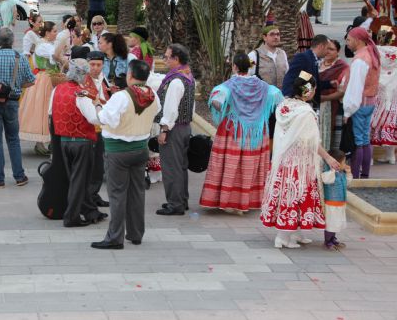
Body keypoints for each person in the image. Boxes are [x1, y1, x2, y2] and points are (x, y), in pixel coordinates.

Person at [261, 71, 340, 249]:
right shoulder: (306, 112)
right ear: (308, 91)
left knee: (289, 195)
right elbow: (312, 142)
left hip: (284, 159)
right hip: (300, 162)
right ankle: (283, 237)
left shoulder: (284, 106)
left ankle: (294, 233)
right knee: (296, 195)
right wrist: (328, 157)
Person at [90, 60, 161, 250]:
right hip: (140, 149)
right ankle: (136, 233)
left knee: (117, 194)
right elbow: (157, 111)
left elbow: (105, 118)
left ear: (130, 75)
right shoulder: (153, 95)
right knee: (137, 192)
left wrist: (98, 105)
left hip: (118, 151)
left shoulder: (122, 97)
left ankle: (115, 237)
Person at [200, 52, 283, 213]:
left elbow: (217, 101)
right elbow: (278, 98)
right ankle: (247, 202)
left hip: (233, 131)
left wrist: (225, 109)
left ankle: (228, 202)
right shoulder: (263, 86)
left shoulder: (228, 86)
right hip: (257, 133)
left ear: (235, 67)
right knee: (250, 166)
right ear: (249, 66)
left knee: (231, 165)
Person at [49, 59, 107, 227]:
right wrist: (97, 105)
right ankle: (72, 217)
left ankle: (90, 212)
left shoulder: (57, 89)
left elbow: (51, 112)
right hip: (82, 141)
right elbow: (94, 118)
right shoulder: (80, 94)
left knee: (76, 179)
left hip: (64, 141)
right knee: (80, 181)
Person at [0, 28, 36, 188]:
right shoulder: (20, 58)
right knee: (13, 139)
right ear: (12, 42)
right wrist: (16, 85)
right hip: (12, 102)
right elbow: (31, 80)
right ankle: (19, 176)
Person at [155, 44, 196, 215]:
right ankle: (181, 200)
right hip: (185, 126)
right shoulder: (188, 75)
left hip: (174, 129)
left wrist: (164, 129)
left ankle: (175, 204)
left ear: (176, 59)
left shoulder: (175, 81)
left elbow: (171, 109)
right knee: (180, 166)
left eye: (167, 57)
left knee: (171, 166)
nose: (164, 60)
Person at [344, 27, 381, 179]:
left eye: (349, 40)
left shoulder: (360, 59)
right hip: (370, 102)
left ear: (357, 40)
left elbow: (355, 88)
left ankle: (356, 175)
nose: (347, 43)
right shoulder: (371, 54)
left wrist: (347, 111)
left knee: (358, 141)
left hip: (360, 104)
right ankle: (365, 174)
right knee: (365, 138)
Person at [19, 21, 59, 155]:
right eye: (54, 31)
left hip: (50, 78)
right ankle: (41, 142)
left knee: (49, 110)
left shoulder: (47, 44)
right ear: (47, 33)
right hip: (45, 78)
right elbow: (56, 56)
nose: (56, 33)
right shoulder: (44, 46)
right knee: (43, 109)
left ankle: (47, 142)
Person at [84, 51, 110, 207]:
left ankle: (94, 194)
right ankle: (88, 195)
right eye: (92, 64)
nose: (95, 68)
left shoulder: (103, 79)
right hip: (88, 127)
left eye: (98, 65)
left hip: (101, 126)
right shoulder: (84, 81)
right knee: (90, 164)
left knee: (98, 164)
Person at [282, 34, 334, 108]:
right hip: (298, 105)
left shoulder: (313, 59)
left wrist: (330, 84)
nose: (328, 52)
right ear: (321, 46)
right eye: (327, 48)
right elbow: (290, 79)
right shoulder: (303, 58)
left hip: (307, 104)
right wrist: (289, 100)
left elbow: (311, 81)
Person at [371, 29, 397, 164]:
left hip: (379, 87)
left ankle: (368, 158)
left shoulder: (376, 50)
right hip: (393, 88)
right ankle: (391, 156)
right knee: (391, 119)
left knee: (374, 119)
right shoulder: (396, 51)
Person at [319, 39, 349, 151]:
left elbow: (342, 91)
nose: (327, 51)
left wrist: (324, 98)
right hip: (316, 106)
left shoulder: (343, 67)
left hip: (334, 107)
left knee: (333, 138)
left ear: (338, 52)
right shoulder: (317, 63)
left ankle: (332, 163)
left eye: (331, 49)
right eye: (326, 48)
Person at [321, 149, 352, 251]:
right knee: (331, 223)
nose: (345, 164)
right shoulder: (328, 172)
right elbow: (326, 180)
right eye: (343, 162)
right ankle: (328, 241)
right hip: (331, 204)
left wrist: (348, 173)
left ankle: (333, 238)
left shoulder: (341, 173)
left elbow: (347, 183)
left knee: (336, 222)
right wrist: (333, 170)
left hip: (340, 204)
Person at [248, 24, 288, 89]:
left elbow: (287, 74)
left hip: (281, 96)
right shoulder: (254, 56)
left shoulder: (282, 53)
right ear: (264, 37)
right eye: (272, 34)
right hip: (262, 96)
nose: (276, 37)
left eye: (278, 34)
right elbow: (247, 75)